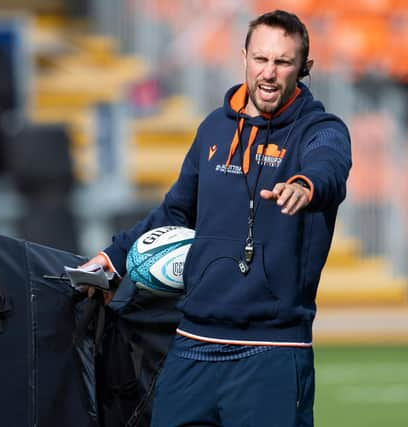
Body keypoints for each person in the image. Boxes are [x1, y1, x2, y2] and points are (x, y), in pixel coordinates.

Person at [84, 9, 351, 427]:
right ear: (243, 56)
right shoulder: (213, 129)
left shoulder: (320, 129)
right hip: (193, 345)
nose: (269, 73)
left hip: (272, 351)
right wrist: (113, 258)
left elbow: (330, 164)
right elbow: (174, 211)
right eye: (261, 59)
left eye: (283, 62)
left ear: (304, 68)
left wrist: (304, 185)